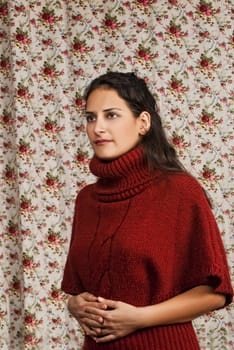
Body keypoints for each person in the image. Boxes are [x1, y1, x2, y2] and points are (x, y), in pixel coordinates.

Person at [61, 72, 233, 350]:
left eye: (111, 115)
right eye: (91, 117)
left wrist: (140, 318)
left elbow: (216, 293)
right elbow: (81, 288)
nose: (97, 128)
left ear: (142, 123)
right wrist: (75, 304)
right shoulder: (86, 200)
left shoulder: (180, 191)